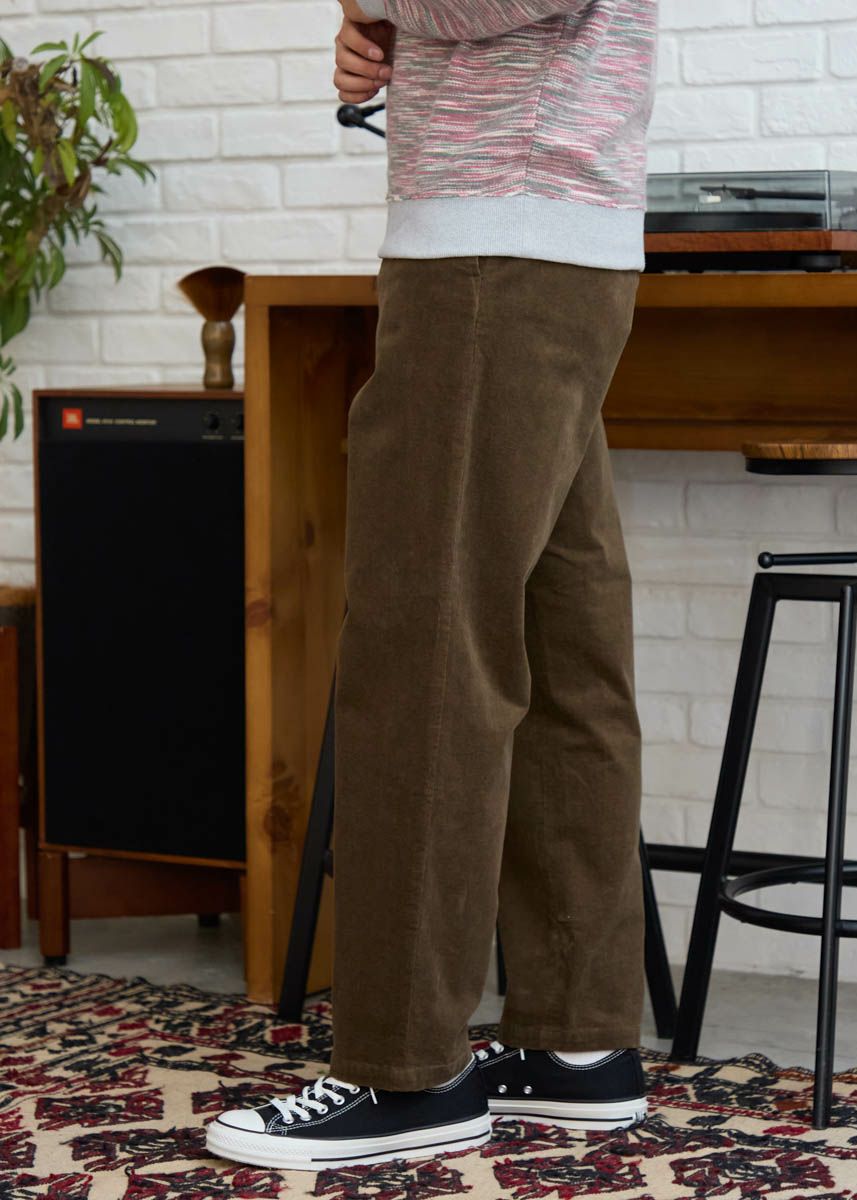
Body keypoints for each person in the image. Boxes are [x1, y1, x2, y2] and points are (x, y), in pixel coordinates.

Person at [207, 0, 659, 1172]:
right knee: (562, 648)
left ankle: (404, 1071)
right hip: (550, 230)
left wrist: (376, 3)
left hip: (493, 243)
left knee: (424, 650)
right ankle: (575, 1041)